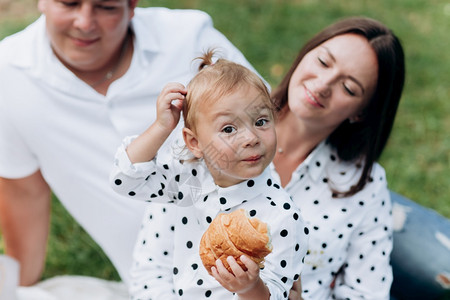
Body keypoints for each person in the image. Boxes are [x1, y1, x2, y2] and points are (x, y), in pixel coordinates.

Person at [0, 0, 263, 286]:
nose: (85, 22)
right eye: (69, 3)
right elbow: (24, 195)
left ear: (132, 5)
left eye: (106, 7)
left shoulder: (189, 39)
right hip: (158, 284)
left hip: (260, 247)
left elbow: (269, 133)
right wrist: (16, 290)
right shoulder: (9, 74)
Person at [109, 50, 309, 299]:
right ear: (194, 143)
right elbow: (126, 180)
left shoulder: (281, 215)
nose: (251, 138)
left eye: (260, 121)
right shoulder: (189, 180)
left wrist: (250, 287)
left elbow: (279, 294)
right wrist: (161, 127)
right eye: (228, 128)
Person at [270, 17, 405, 299]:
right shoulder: (228, 117)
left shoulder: (365, 186)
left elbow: (368, 293)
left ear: (362, 112)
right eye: (323, 62)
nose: (322, 85)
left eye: (349, 88)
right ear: (307, 52)